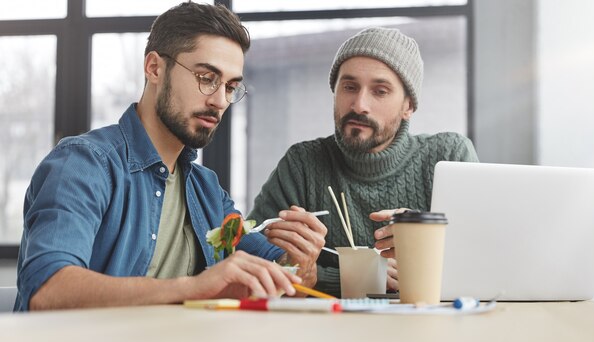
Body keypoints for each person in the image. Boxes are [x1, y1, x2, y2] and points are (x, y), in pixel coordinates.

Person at [15, 2, 326, 311]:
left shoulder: (206, 190)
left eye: (231, 87)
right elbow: (48, 289)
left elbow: (285, 284)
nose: (220, 101)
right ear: (155, 68)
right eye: (206, 77)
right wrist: (194, 288)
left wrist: (300, 263)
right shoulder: (83, 164)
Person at [248, 27, 479, 297]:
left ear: (408, 106)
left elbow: (483, 257)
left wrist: (428, 241)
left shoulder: (448, 156)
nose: (359, 105)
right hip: (325, 332)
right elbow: (249, 254)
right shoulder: (302, 164)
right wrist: (323, 276)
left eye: (380, 91)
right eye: (349, 87)